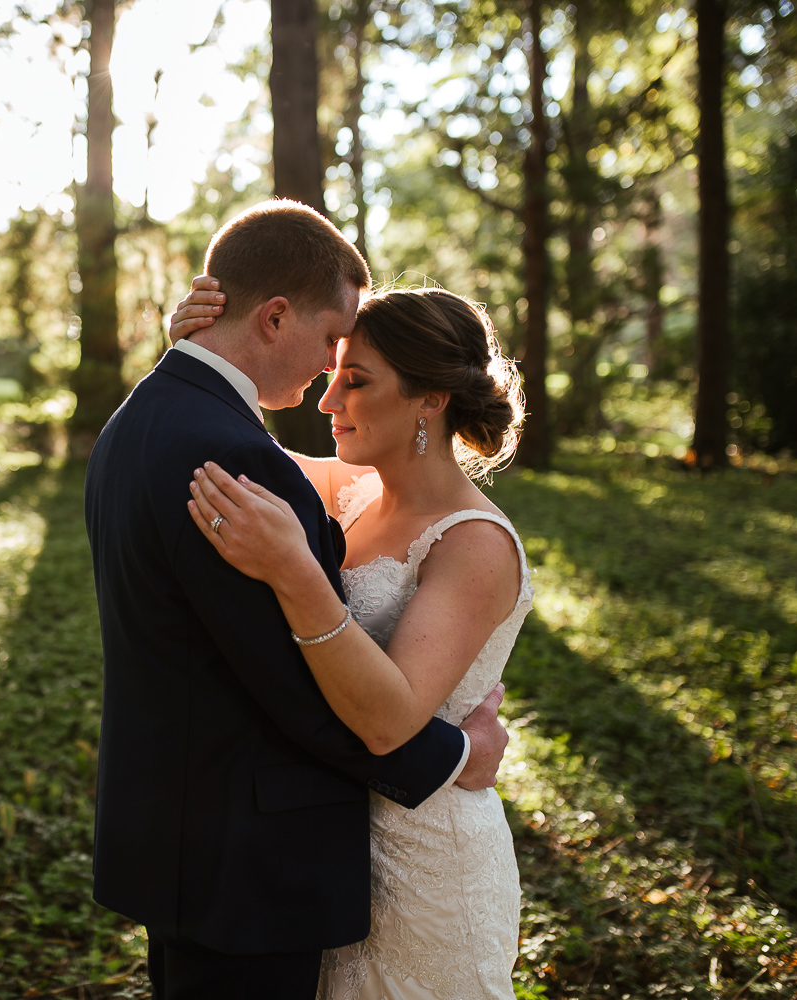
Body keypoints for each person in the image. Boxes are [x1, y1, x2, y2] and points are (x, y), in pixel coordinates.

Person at [82, 199, 510, 1000]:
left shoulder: (142, 419)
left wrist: (188, 351)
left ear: (430, 400)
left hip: (198, 848)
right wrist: (458, 756)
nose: (326, 382)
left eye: (355, 373)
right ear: (276, 316)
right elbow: (293, 688)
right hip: (247, 866)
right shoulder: (234, 457)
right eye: (329, 349)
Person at [171, 276, 531, 999]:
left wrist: (294, 572)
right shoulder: (353, 490)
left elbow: (390, 719)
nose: (327, 401)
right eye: (331, 376)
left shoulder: (475, 544)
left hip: (431, 866)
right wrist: (194, 354)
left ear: (431, 397)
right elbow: (228, 445)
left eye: (356, 382)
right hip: (334, 855)